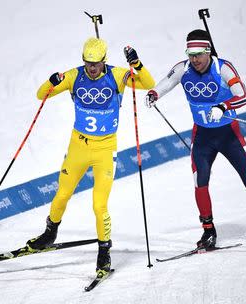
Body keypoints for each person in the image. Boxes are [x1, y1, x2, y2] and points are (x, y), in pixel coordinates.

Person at [144, 29, 246, 253]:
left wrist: (224, 106)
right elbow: (166, 83)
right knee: (200, 182)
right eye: (190, 53)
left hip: (229, 136)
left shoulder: (223, 68)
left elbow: (243, 95)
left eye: (198, 54)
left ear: (208, 51)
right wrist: (153, 94)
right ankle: (208, 231)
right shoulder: (183, 68)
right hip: (203, 138)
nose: (194, 59)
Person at [27, 37, 155, 275]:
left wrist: (136, 63)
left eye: (95, 64)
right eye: (87, 63)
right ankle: (49, 233)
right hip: (78, 146)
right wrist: (51, 81)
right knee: (62, 193)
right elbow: (40, 94)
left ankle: (104, 251)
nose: (91, 68)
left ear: (104, 61)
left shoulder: (117, 75)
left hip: (105, 150)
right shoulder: (74, 76)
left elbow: (148, 83)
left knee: (99, 205)